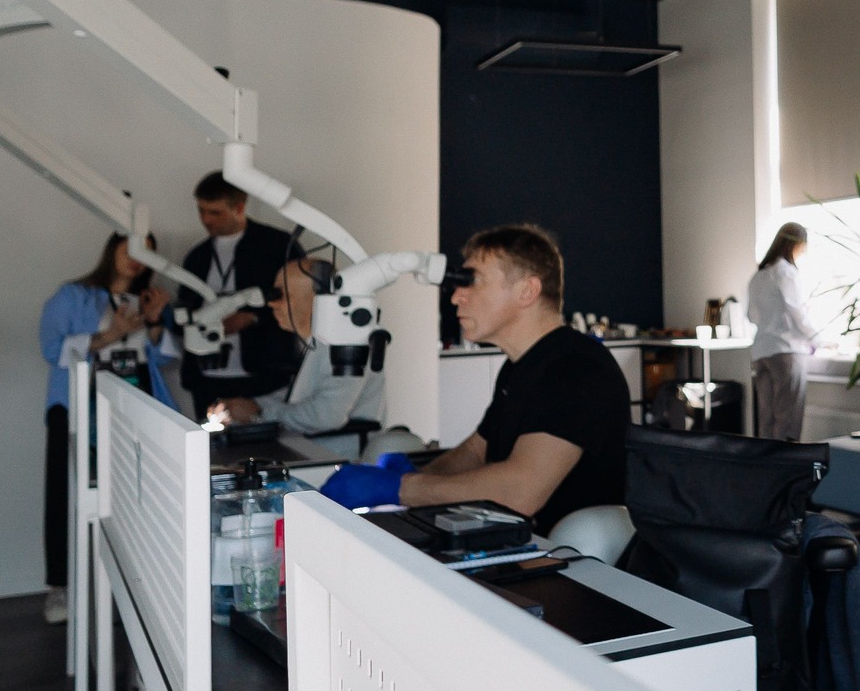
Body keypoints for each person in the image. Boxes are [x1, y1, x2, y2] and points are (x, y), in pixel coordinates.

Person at [320, 225, 625, 525]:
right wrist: (418, 474)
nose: (456, 297)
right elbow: (476, 451)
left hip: (563, 546)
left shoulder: (576, 368)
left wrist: (401, 489)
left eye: (473, 281)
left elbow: (521, 492)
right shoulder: (520, 366)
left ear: (527, 291)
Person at [38, 234, 179, 623]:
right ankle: (60, 587)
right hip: (76, 406)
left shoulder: (147, 298)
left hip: (137, 405)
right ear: (112, 248)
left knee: (139, 494)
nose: (136, 259)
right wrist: (111, 334)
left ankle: (136, 583)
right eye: (128, 249)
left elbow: (165, 357)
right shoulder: (73, 296)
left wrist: (155, 321)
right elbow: (52, 349)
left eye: (145, 252)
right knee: (66, 493)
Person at [214, 259, 386, 446]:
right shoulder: (316, 341)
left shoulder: (346, 344)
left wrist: (260, 413)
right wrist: (249, 405)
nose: (272, 304)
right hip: (305, 446)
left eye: (282, 295)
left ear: (319, 299)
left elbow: (326, 416)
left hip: (334, 453)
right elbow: (301, 396)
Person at [178, 171, 299, 416]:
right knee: (205, 440)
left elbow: (299, 301)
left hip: (265, 375)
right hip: (206, 377)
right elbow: (185, 307)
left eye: (215, 212)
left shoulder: (278, 246)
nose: (205, 219)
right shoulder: (197, 256)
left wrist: (251, 318)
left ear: (240, 208)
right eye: (201, 211)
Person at [747, 223, 818, 441]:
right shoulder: (785, 272)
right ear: (796, 245)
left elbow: (751, 316)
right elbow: (797, 312)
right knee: (787, 421)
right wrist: (817, 339)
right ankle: (786, 461)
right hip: (786, 352)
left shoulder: (759, 275)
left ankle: (766, 462)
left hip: (761, 352)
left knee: (766, 421)